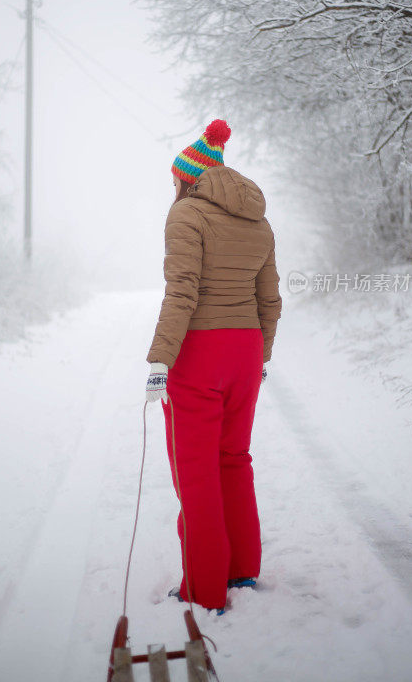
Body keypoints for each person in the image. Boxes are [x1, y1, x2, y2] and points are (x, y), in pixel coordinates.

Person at [145, 118, 282, 614]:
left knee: (197, 473)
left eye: (174, 179)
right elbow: (270, 300)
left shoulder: (186, 216)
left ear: (187, 177)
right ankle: (242, 569)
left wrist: (160, 360)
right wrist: (260, 357)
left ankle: (204, 589)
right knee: (234, 459)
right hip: (244, 352)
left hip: (199, 355)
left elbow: (181, 293)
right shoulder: (259, 220)